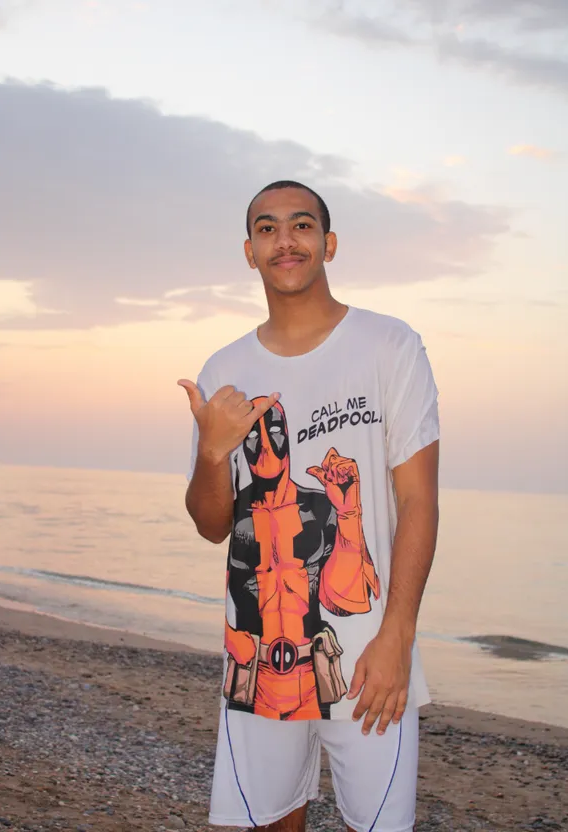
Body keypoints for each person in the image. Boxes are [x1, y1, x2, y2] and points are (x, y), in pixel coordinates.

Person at [178, 180, 439, 832]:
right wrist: (214, 453)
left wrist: (397, 635)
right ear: (248, 251)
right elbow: (213, 526)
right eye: (267, 228)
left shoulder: (389, 346)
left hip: (371, 657)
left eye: (300, 225)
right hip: (257, 658)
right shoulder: (225, 371)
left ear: (328, 242)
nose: (284, 240)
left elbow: (418, 501)